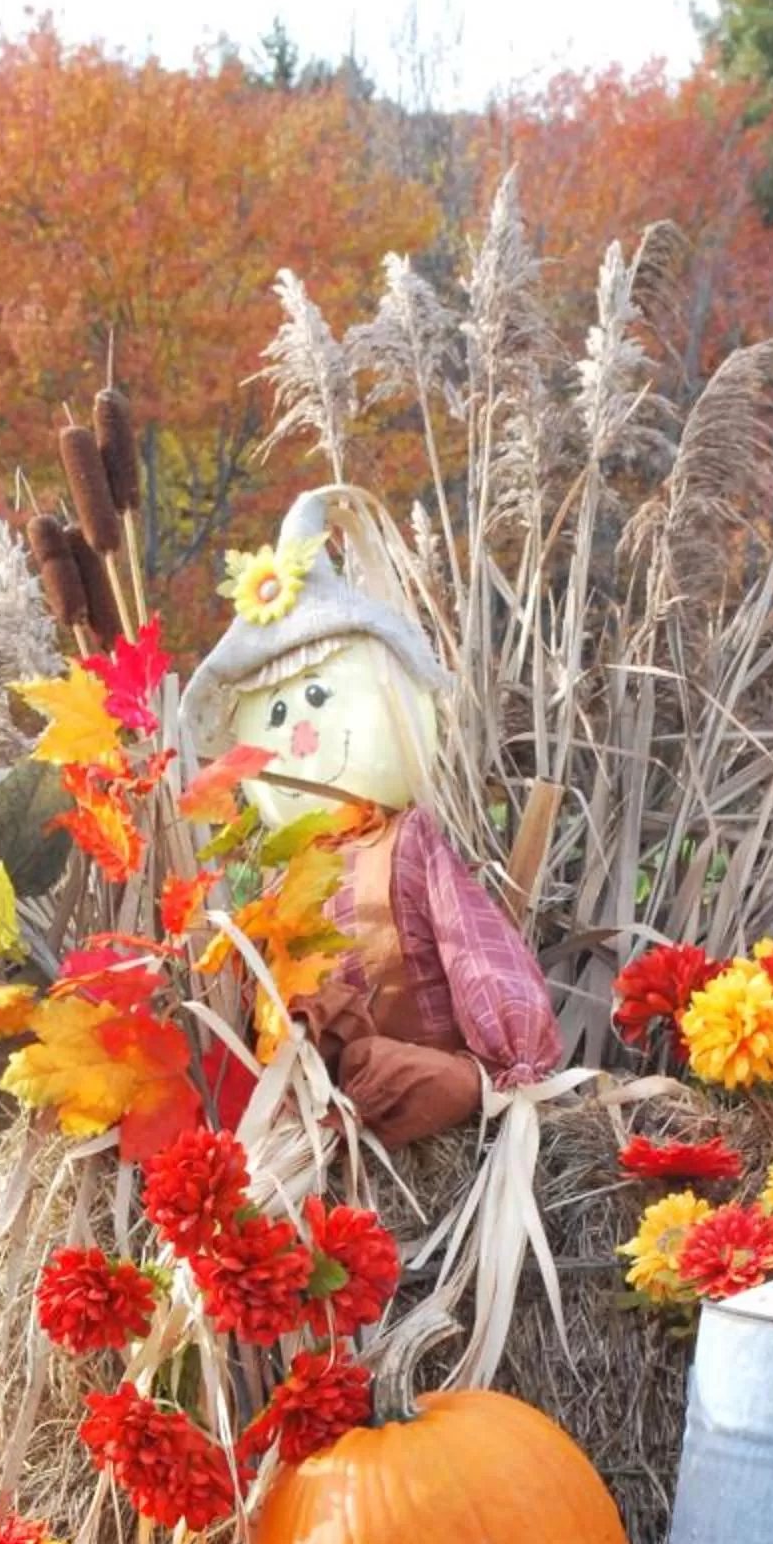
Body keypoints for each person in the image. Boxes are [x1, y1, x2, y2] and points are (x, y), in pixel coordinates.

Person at [185, 491, 563, 1147]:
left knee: (424, 1081)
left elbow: (474, 949)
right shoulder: (282, 883)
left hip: (419, 1075)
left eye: (319, 699)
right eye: (274, 715)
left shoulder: (410, 842)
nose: (300, 731)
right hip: (318, 1091)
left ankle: (424, 1098)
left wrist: (512, 1059)